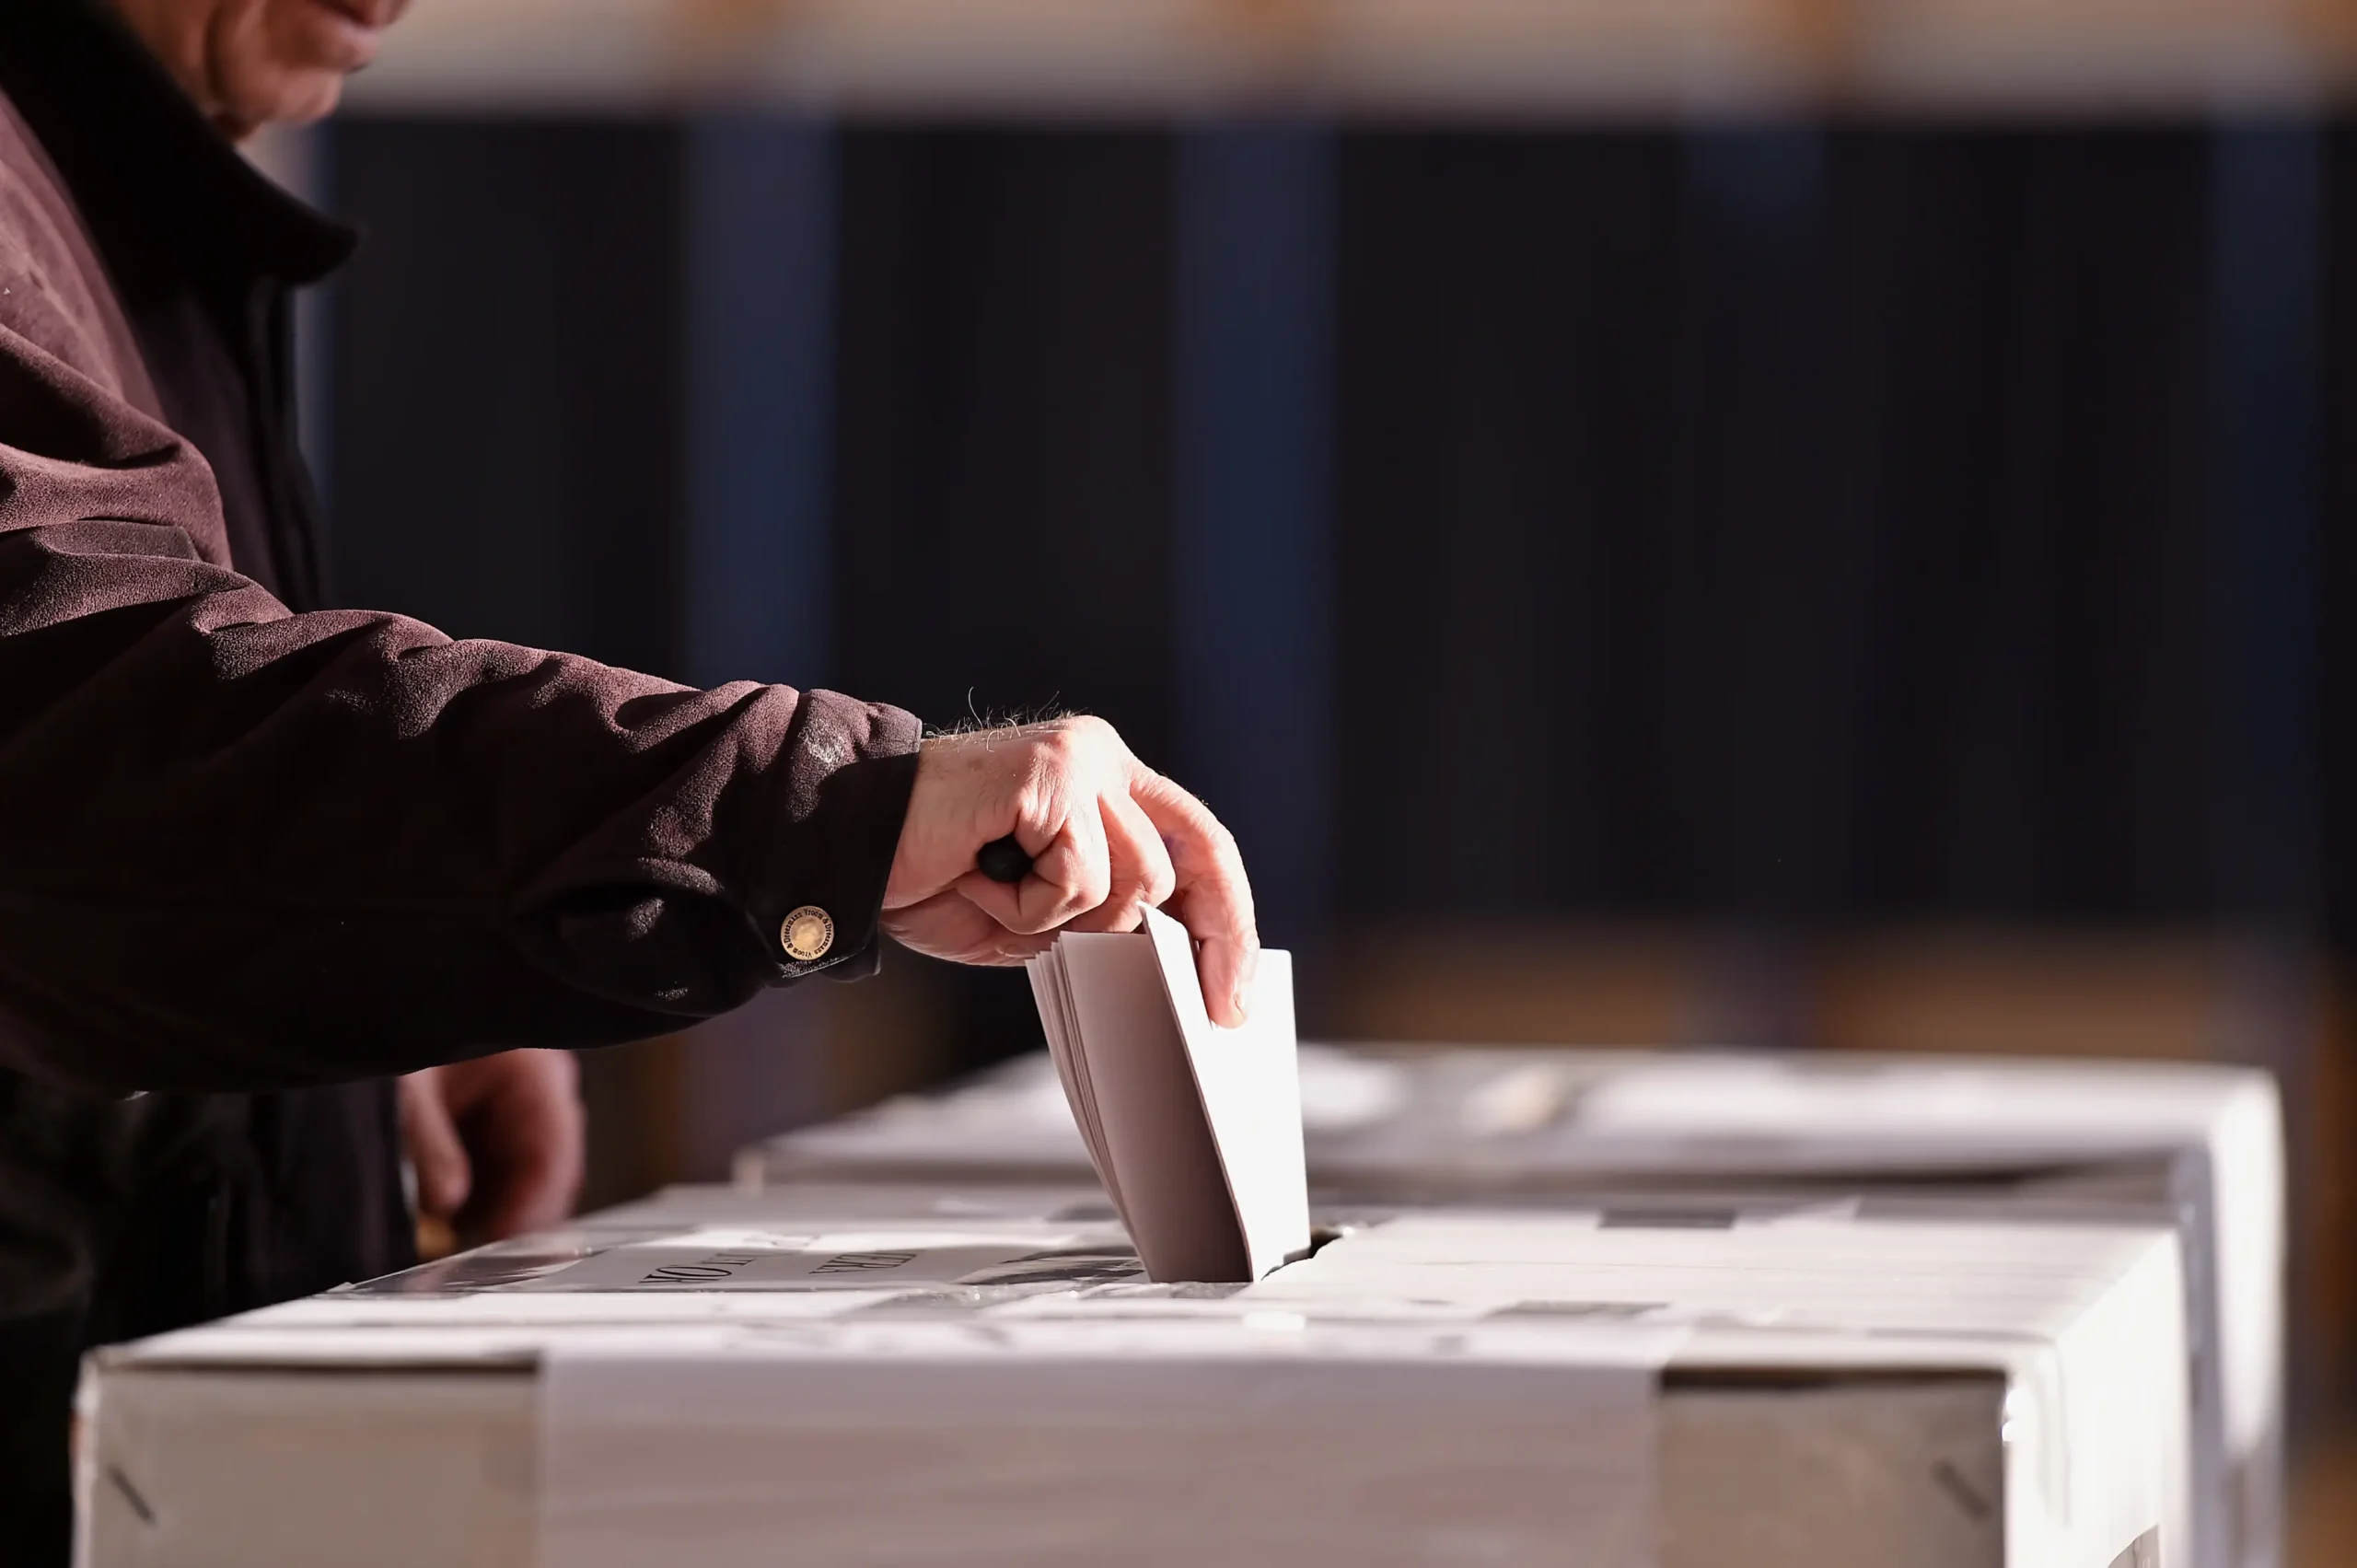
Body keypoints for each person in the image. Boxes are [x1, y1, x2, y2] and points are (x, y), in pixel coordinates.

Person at [0, 0, 1260, 1555]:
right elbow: (81, 770)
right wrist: (825, 809)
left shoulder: (118, 188)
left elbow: (147, 856)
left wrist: (349, 1022)